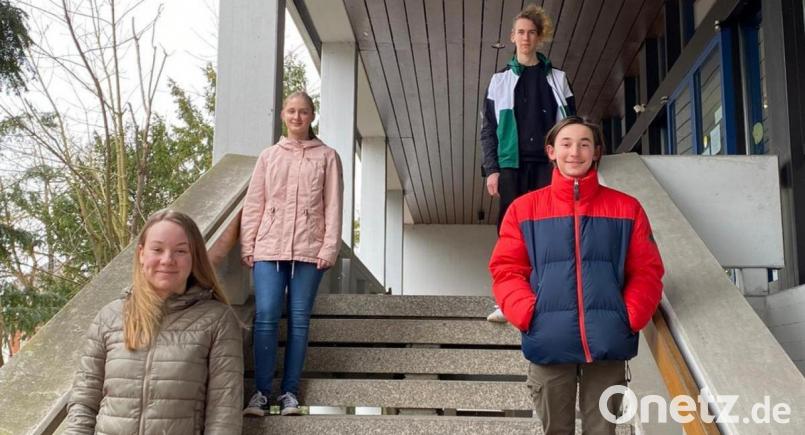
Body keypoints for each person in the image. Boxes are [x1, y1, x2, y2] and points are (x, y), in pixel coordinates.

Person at [488, 117, 664, 434]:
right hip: (548, 339)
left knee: (602, 431)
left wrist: (630, 316)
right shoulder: (523, 209)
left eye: (584, 144)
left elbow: (647, 270)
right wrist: (527, 313)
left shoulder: (627, 208)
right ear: (551, 151)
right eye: (566, 144)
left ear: (596, 152)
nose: (575, 152)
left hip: (608, 341)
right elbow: (507, 270)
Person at [66, 210, 244, 434]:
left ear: (194, 256)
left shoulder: (217, 320)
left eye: (180, 250)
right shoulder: (109, 318)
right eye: (157, 249)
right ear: (141, 253)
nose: (167, 260)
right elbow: (84, 402)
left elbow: (224, 414)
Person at [240, 91, 343, 417]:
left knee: (299, 320)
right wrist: (248, 243)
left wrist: (329, 247)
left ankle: (289, 393)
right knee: (267, 315)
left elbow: (334, 205)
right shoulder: (269, 156)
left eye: (303, 112)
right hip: (269, 246)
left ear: (312, 116)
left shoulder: (328, 156)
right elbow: (255, 202)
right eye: (291, 111)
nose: (297, 117)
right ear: (283, 115)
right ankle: (260, 393)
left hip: (310, 249)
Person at [481, 4, 575, 323]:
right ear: (512, 37)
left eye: (531, 32)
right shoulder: (499, 81)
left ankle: (547, 295)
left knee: (551, 230)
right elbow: (489, 131)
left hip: (550, 168)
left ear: (539, 38)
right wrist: (492, 169)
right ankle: (508, 300)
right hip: (512, 166)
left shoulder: (558, 80)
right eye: (520, 32)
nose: (525, 37)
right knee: (511, 232)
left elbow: (572, 126)